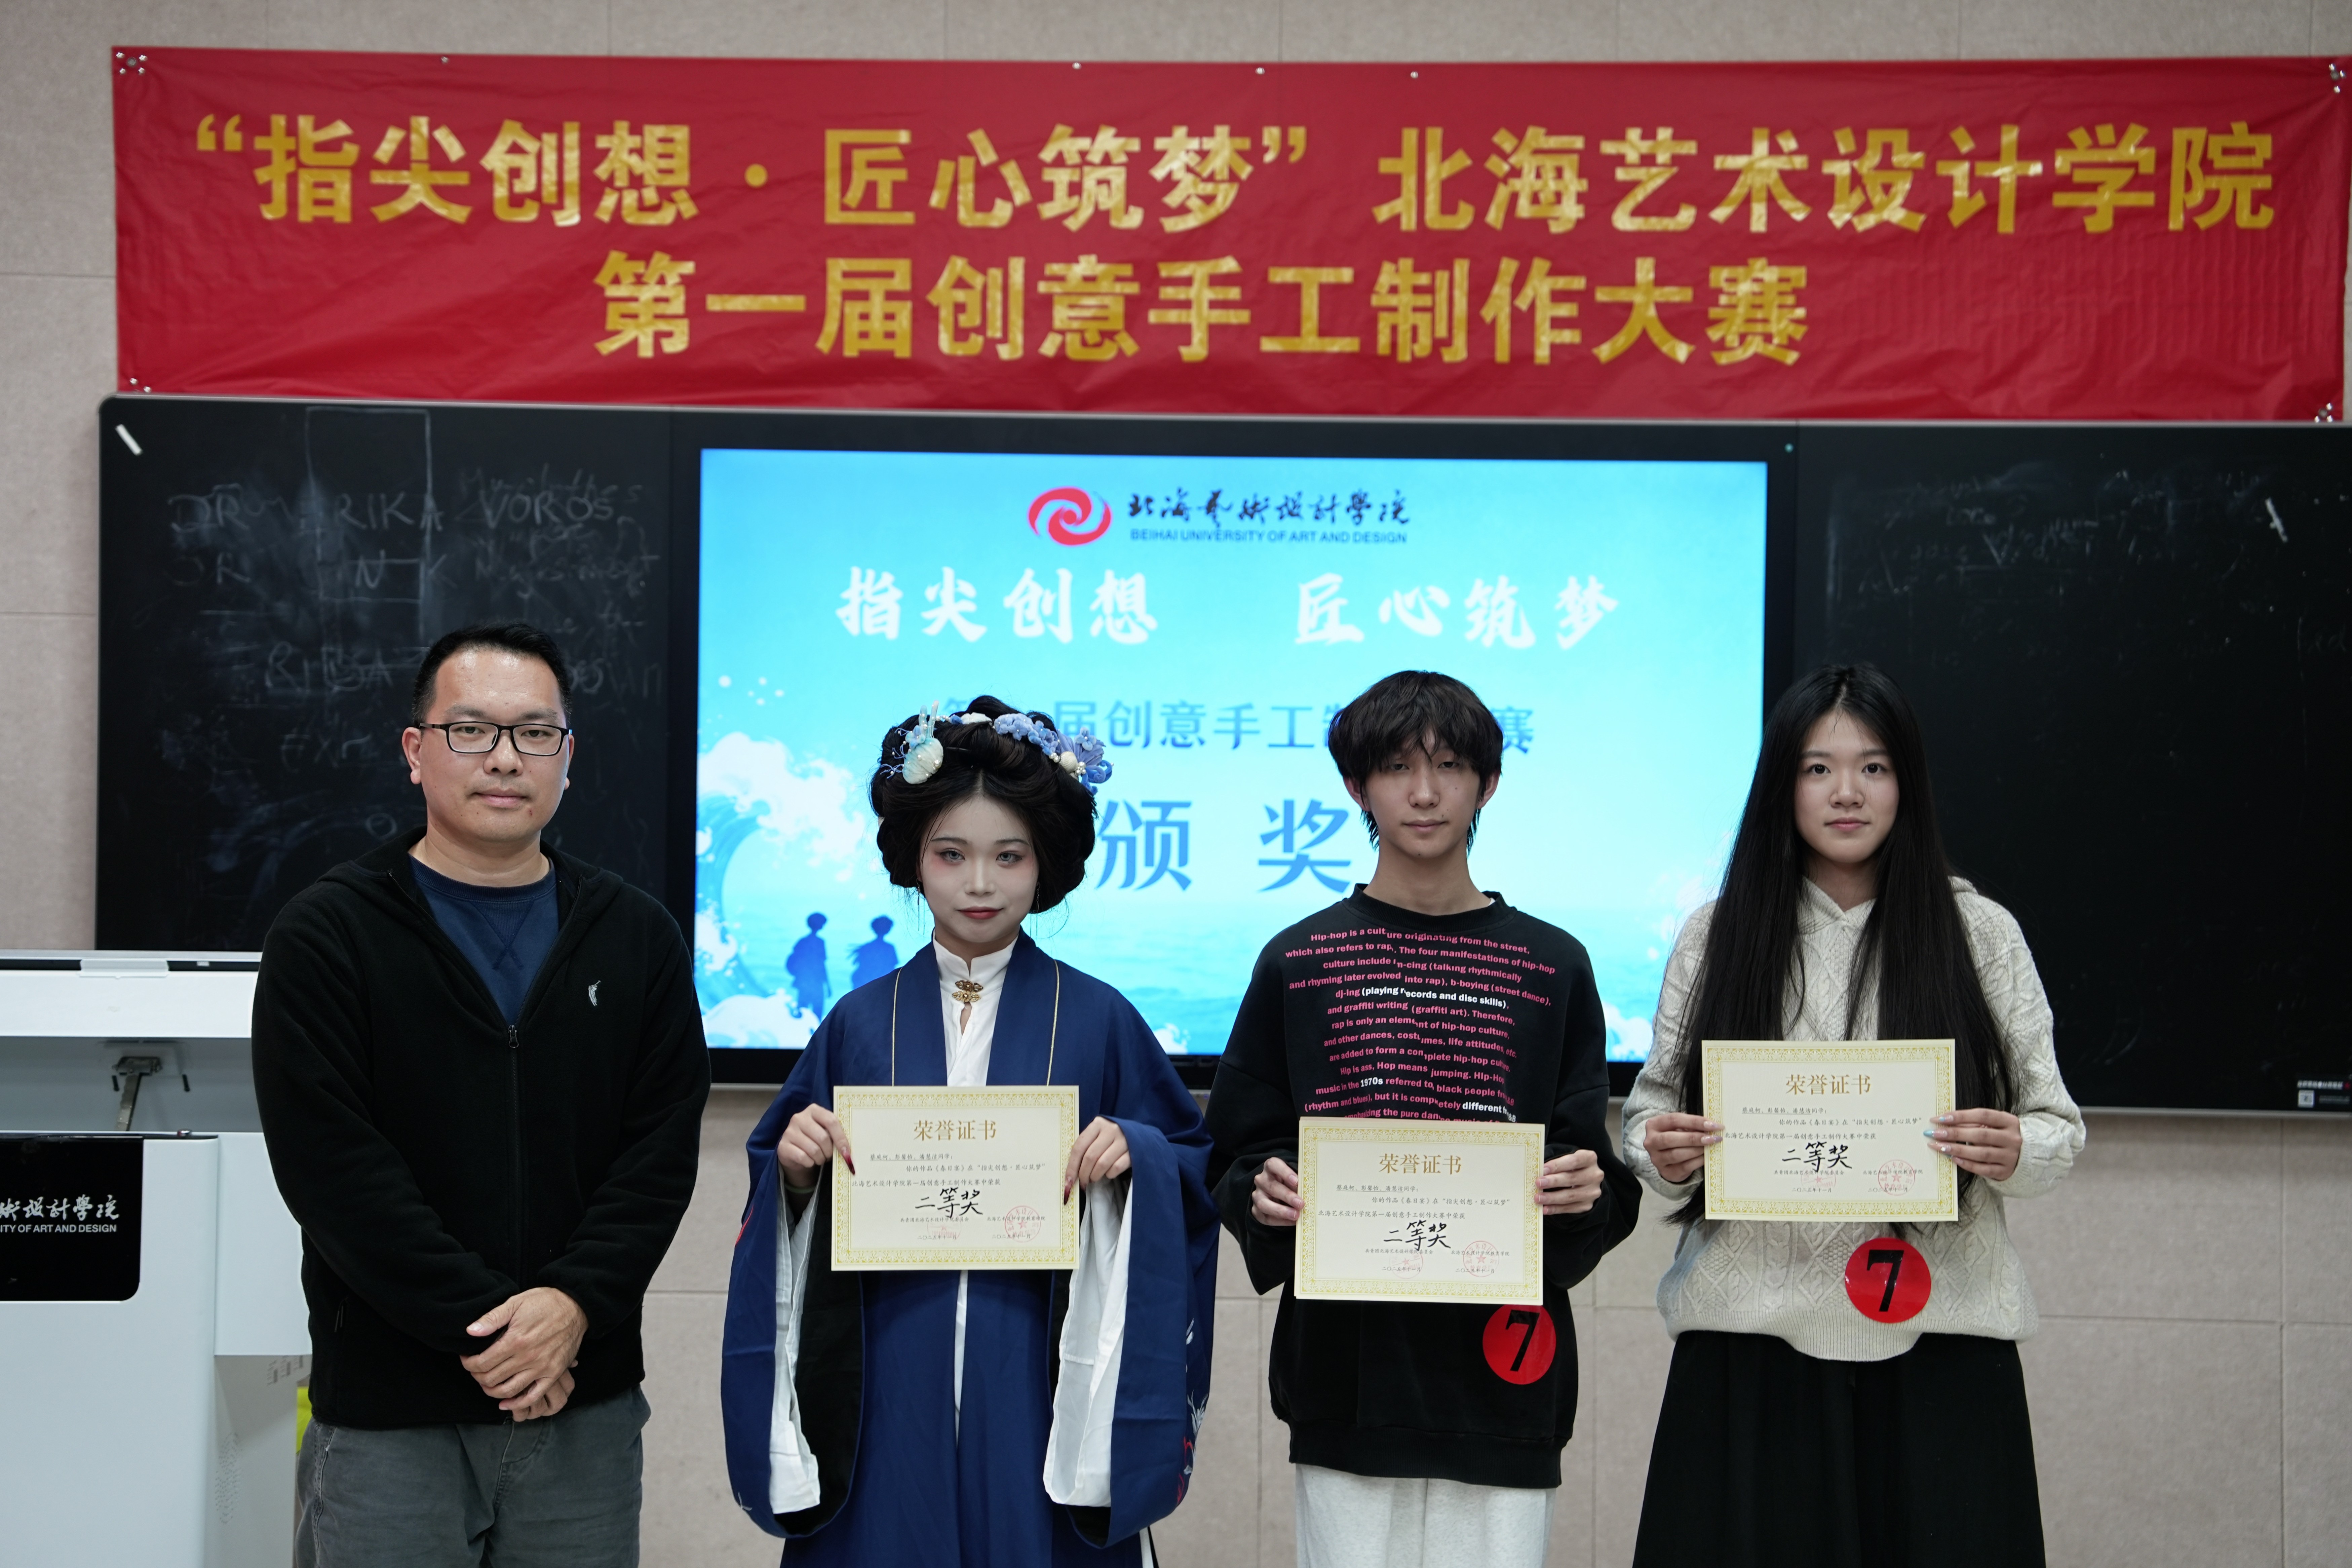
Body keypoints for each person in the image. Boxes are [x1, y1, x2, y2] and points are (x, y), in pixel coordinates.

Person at [251, 622, 710, 1568]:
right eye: (471, 730)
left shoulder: (636, 935)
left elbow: (658, 1153)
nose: (505, 757)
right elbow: (334, 1170)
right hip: (391, 1409)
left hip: (580, 1399)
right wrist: (501, 1333)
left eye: (535, 733)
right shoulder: (328, 933)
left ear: (567, 757)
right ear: (415, 750)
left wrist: (571, 1308)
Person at [720, 698, 1218, 1565]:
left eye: (1008, 856)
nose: (979, 883)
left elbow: (1188, 1166)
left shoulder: (1098, 1018)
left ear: (1045, 862)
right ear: (913, 859)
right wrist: (795, 1174)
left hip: (1036, 1369)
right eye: (951, 854)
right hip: (885, 1367)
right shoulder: (858, 1021)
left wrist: (1133, 1157)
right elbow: (780, 1178)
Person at [1621, 662, 2084, 1567]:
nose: (1846, 792)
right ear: (1781, 786)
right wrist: (1661, 1148)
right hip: (1749, 1346)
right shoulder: (1716, 933)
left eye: (1873, 767)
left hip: (1943, 1346)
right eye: (1817, 768)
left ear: (1906, 783)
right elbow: (1648, 1117)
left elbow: (2056, 1129)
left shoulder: (1980, 932)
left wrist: (2012, 1145)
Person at [1205, 670, 1640, 1568]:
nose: (1426, 791)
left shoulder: (1553, 965)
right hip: (1349, 1371)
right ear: (1356, 786)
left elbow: (1587, 1161)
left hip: (1504, 1368)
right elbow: (1239, 1148)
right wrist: (1263, 1189)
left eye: (1449, 766)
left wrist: (1584, 1189)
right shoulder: (1300, 960)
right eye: (1398, 767)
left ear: (1488, 783)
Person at [786, 912, 832, 1015]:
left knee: (801, 1012)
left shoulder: (803, 941)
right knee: (817, 1013)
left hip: (804, 982)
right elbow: (822, 965)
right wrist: (828, 985)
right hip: (817, 983)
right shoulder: (820, 942)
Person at [849, 913, 899, 989]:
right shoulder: (889, 948)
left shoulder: (867, 947)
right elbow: (892, 967)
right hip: (874, 984)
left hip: (869, 984)